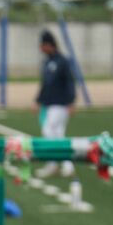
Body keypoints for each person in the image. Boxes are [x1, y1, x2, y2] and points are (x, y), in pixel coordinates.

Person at [33, 29, 76, 177]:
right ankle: (65, 164)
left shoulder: (62, 61)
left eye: (42, 45)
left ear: (49, 45)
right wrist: (38, 101)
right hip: (49, 104)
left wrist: (71, 101)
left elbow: (70, 82)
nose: (40, 49)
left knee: (48, 130)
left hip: (60, 104)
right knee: (58, 135)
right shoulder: (47, 62)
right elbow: (45, 84)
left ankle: (54, 162)